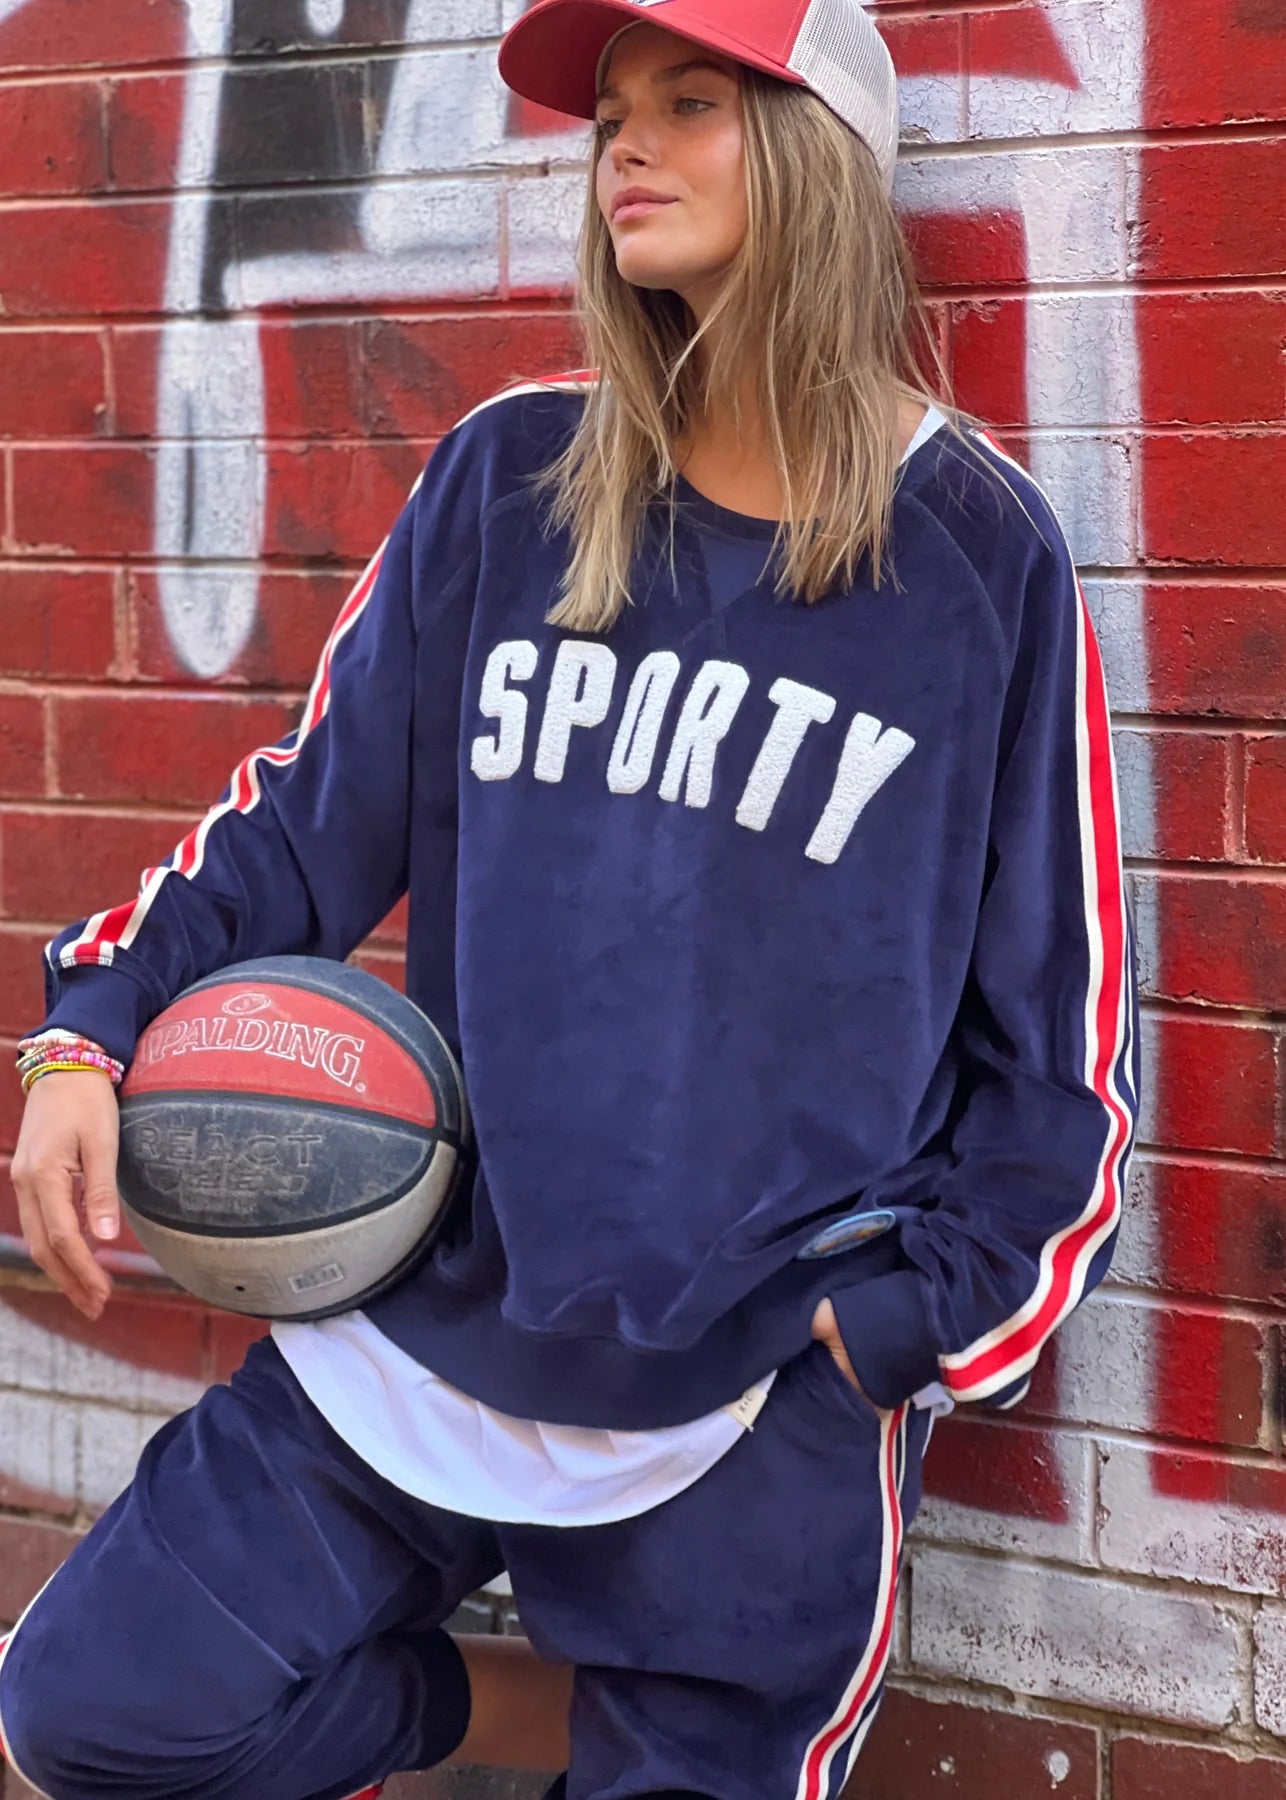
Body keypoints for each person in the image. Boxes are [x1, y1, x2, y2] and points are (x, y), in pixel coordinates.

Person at [1, 0, 1141, 1795]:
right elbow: (302, 829)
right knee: (84, 1713)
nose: (627, 147)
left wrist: (899, 1328)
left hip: (752, 1385)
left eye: (691, 102)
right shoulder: (508, 482)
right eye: (613, 113)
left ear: (818, 159)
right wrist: (88, 1035)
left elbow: (1057, 1048)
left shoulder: (974, 558)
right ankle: (511, 1720)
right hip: (435, 1304)